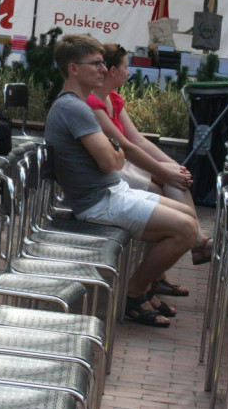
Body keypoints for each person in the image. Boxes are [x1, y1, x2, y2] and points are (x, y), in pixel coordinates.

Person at [44, 34, 203, 328]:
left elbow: (115, 156)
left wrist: (114, 152)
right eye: (95, 64)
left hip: (110, 192)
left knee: (188, 219)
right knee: (185, 230)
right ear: (73, 69)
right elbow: (110, 162)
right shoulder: (74, 108)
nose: (103, 69)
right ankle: (134, 293)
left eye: (104, 63)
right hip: (98, 203)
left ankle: (145, 286)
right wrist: (115, 152)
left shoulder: (77, 105)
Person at [86, 42, 209, 298]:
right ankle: (194, 244)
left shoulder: (113, 99)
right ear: (111, 71)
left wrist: (173, 166)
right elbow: (127, 147)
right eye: (125, 67)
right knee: (164, 188)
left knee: (174, 180)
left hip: (123, 163)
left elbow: (138, 140)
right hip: (113, 170)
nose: (129, 72)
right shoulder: (92, 104)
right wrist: (166, 172)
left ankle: (168, 265)